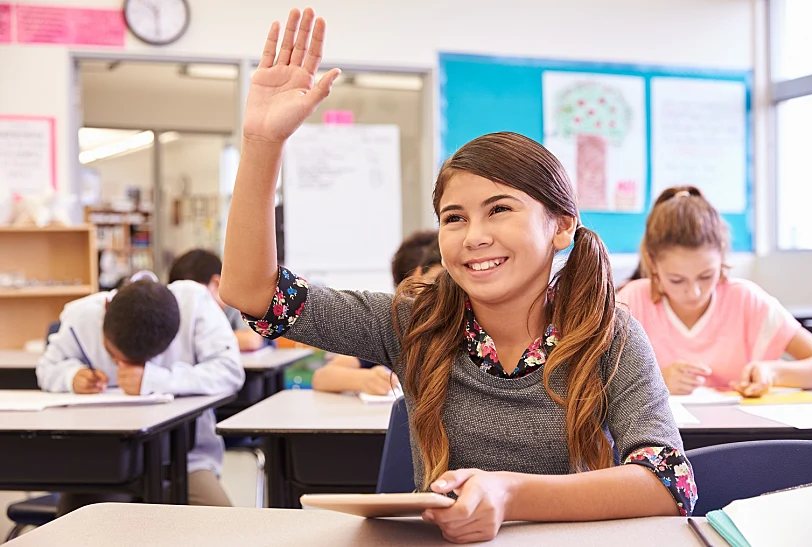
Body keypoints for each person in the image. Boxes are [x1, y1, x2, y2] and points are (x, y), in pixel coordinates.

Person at [219, 9, 694, 543]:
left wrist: (509, 493)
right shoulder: (414, 321)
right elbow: (253, 293)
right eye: (454, 218)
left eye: (500, 210)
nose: (474, 236)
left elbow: (668, 483)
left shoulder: (609, 335)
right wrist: (262, 144)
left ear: (561, 226)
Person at [37, 275, 245, 513]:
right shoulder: (81, 316)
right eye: (114, 357)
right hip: (106, 459)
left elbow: (230, 372)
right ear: (106, 310)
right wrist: (71, 376)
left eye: (139, 363)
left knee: (225, 527)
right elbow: (46, 368)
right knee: (76, 529)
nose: (123, 367)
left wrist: (154, 379)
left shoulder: (195, 304)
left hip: (185, 460)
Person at [618, 186, 812, 397]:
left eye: (706, 276)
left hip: (740, 429)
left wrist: (773, 372)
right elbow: (592, 378)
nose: (694, 292)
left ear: (722, 255)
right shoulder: (631, 301)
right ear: (652, 262)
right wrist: (656, 381)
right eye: (676, 280)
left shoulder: (746, 299)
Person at [312, 233, 440, 395]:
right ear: (417, 276)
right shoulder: (393, 328)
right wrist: (366, 379)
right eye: (435, 282)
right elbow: (322, 377)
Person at [168, 249, 265, 352]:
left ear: (216, 284)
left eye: (195, 294)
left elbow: (251, 340)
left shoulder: (237, 304)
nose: (189, 301)